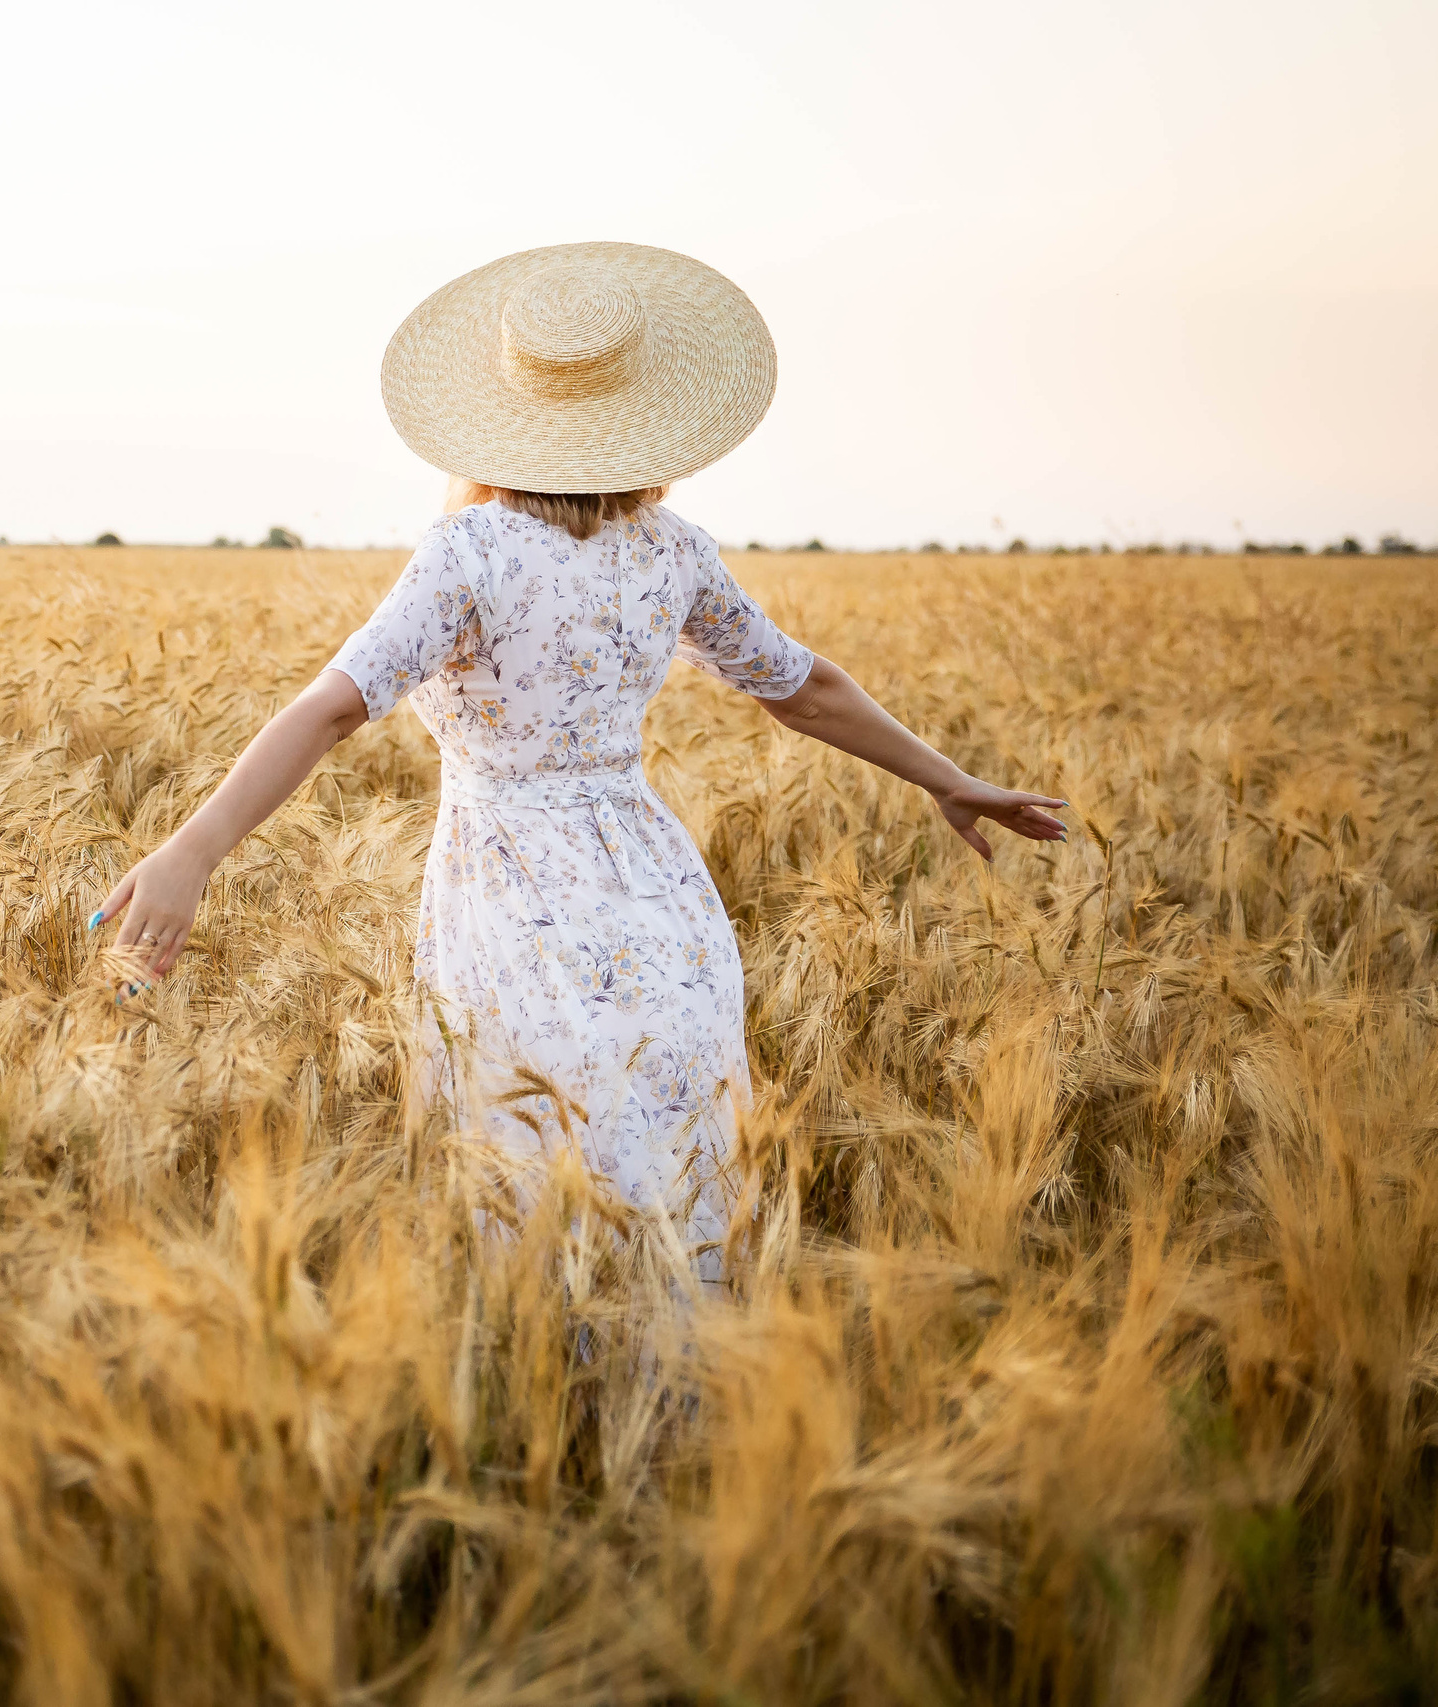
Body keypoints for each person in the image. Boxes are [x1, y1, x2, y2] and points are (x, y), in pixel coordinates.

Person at [90, 242, 1066, 1272]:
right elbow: (806, 689)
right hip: (661, 909)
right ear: (646, 418)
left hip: (510, 906)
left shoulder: (465, 553)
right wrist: (952, 783)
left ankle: (558, 1407)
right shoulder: (673, 550)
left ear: (497, 414)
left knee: (529, 1187)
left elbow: (333, 709)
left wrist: (195, 848)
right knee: (671, 1180)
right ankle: (685, 1415)